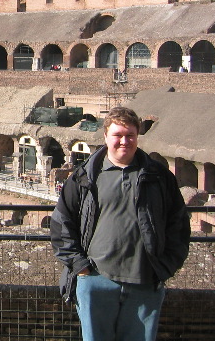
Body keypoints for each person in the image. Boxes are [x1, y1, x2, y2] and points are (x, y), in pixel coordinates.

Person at [50, 106, 190, 341]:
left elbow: (178, 225)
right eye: (118, 135)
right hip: (96, 280)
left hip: (145, 283)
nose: (124, 141)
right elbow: (62, 223)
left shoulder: (159, 177)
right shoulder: (84, 176)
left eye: (130, 135)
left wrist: (164, 267)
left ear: (137, 137)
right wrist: (81, 268)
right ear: (106, 136)